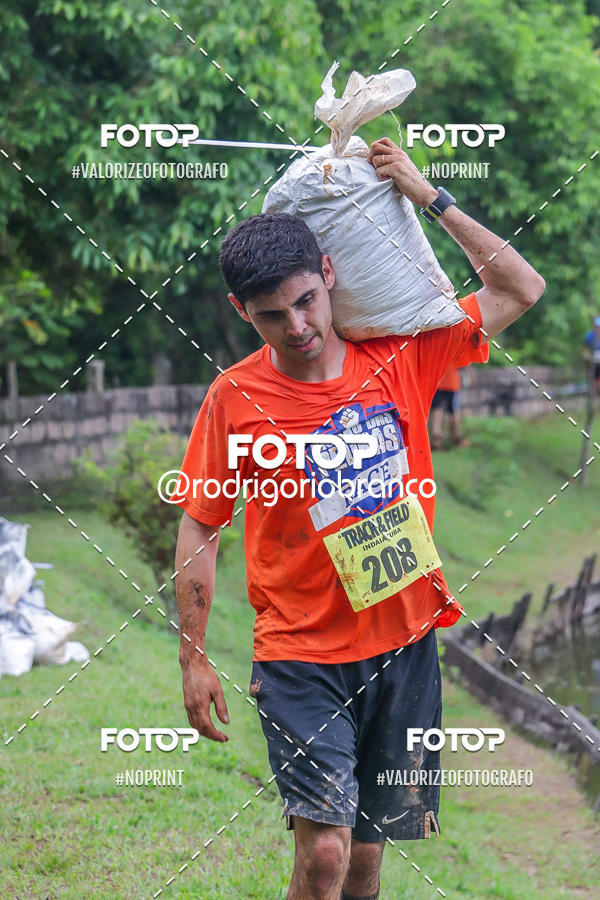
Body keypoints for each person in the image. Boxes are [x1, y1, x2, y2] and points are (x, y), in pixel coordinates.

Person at [173, 137, 545, 900]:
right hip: (299, 657)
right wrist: (192, 654)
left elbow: (520, 287)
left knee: (370, 861)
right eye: (273, 315)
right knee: (326, 857)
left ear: (330, 276)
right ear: (244, 312)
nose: (299, 326)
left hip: (403, 647)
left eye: (307, 301)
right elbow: (201, 524)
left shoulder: (404, 356)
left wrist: (426, 193)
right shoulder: (234, 400)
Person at [429, 366, 469, 450]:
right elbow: (464, 365)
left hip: (438, 381)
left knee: (437, 410)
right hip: (453, 383)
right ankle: (456, 439)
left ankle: (436, 441)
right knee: (454, 412)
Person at [583, 316, 600, 395]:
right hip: (593, 361)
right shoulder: (590, 336)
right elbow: (585, 349)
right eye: (597, 327)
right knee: (594, 376)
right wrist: (588, 356)